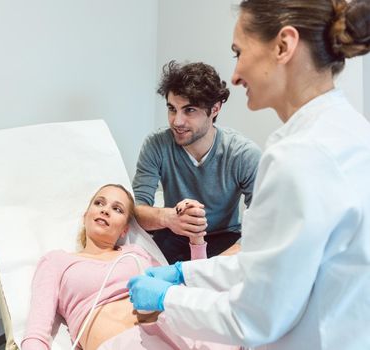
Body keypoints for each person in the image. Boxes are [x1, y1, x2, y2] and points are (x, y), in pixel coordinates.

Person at [128, 0, 370, 349]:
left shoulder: (298, 157)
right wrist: (185, 273)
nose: (236, 74)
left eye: (238, 52)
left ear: (283, 46)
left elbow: (253, 317)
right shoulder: (347, 132)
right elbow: (272, 265)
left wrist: (168, 299)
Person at [21, 184, 237, 350]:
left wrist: (196, 239)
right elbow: (36, 333)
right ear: (85, 216)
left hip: (173, 327)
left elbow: (189, 288)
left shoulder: (135, 253)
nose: (105, 210)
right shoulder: (57, 261)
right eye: (99, 203)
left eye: (117, 209)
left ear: (125, 229)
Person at [132, 61, 262, 262]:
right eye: (172, 109)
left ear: (215, 109)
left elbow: (264, 222)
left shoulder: (243, 154)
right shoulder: (156, 144)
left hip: (224, 238)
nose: (177, 121)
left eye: (189, 110)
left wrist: (217, 264)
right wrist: (168, 218)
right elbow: (137, 209)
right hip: (174, 232)